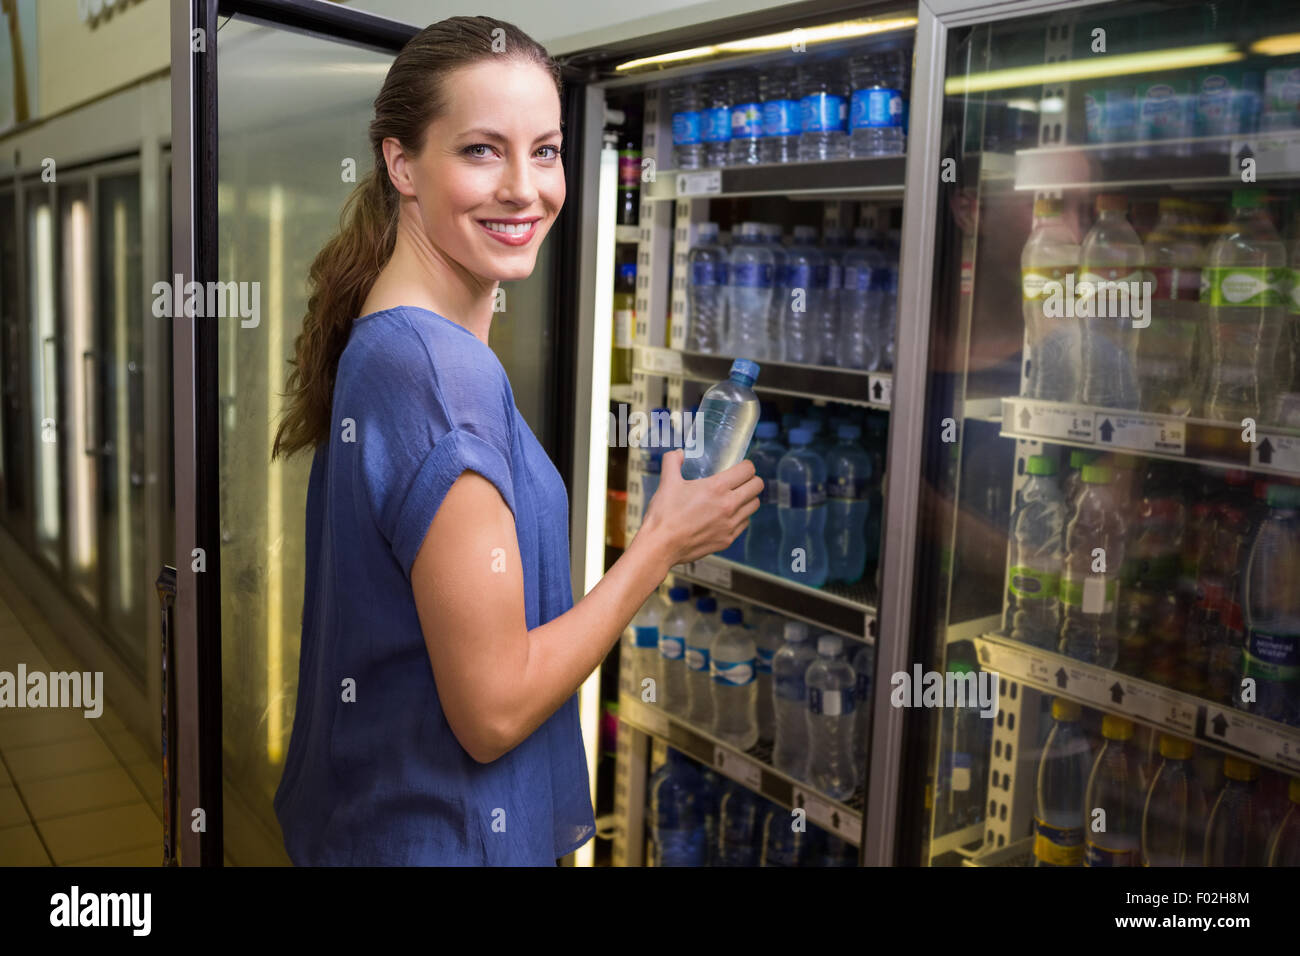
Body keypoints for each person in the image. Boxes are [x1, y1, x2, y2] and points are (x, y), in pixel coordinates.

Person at [268, 16, 761, 865]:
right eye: (482, 151)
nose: (527, 189)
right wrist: (660, 545)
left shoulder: (395, 341)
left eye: (546, 150)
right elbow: (491, 713)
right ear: (400, 164)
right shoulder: (435, 375)